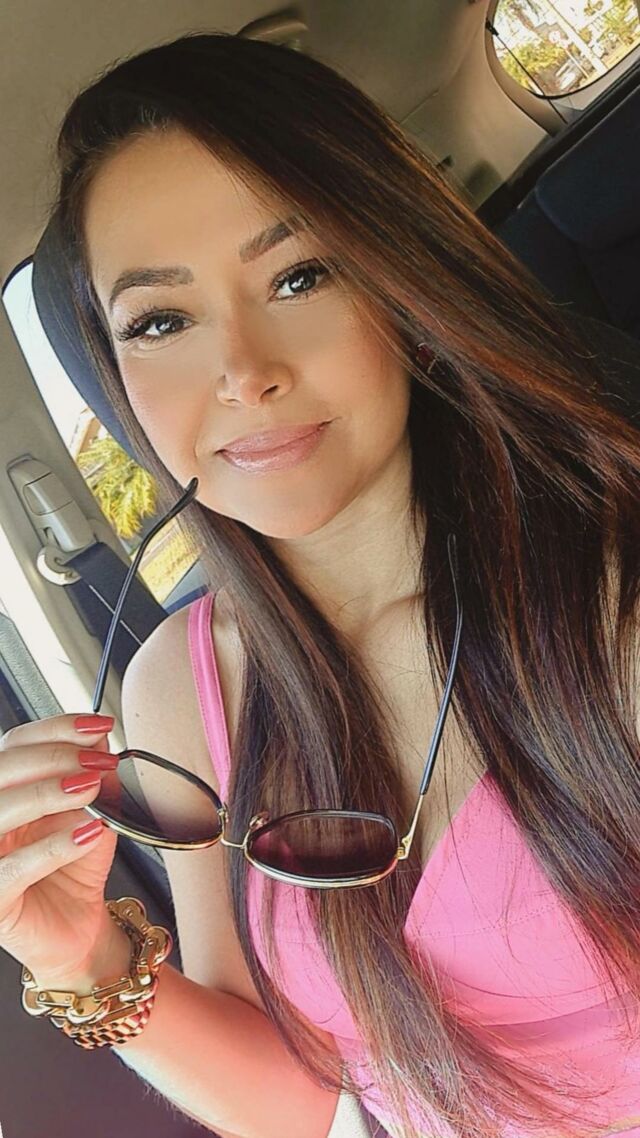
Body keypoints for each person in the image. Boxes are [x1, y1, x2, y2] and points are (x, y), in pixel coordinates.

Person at [1, 29, 640, 1138]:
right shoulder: (178, 688)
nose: (244, 372)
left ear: (400, 282)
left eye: (299, 276)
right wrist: (82, 955)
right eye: (161, 321)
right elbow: (301, 1102)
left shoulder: (610, 591)